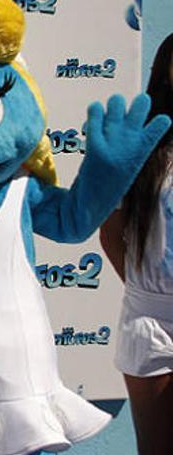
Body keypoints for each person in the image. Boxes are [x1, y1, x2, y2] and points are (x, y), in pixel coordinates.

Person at [100, 33, 173, 455]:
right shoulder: (143, 145)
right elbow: (111, 231)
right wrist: (144, 291)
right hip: (152, 320)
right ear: (165, 72)